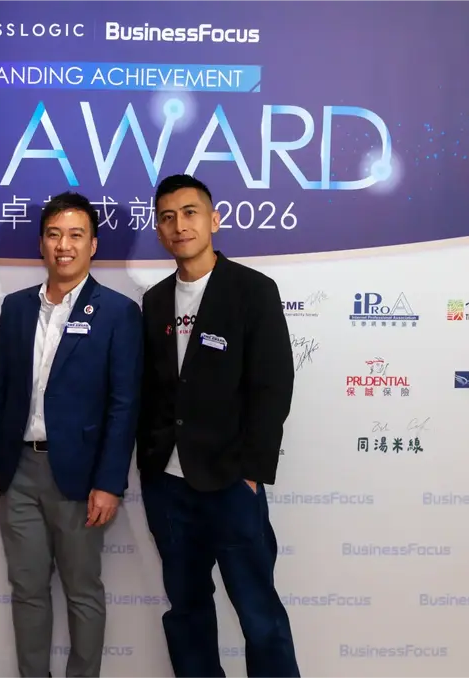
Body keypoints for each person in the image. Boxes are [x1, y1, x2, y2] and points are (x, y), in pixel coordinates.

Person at [137, 174, 300, 678]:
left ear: (214, 219)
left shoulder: (252, 290)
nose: (179, 225)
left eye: (189, 213)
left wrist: (251, 472)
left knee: (258, 614)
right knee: (186, 612)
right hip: (168, 486)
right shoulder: (155, 301)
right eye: (167, 217)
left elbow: (273, 386)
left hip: (231, 482)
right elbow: (150, 390)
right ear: (159, 230)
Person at [0, 191, 144, 678]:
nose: (63, 246)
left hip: (81, 477)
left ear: (93, 245)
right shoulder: (14, 308)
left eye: (75, 235)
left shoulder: (117, 312)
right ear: (41, 243)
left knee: (82, 591)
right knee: (27, 590)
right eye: (54, 235)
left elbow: (124, 405)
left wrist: (109, 482)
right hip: (18, 473)